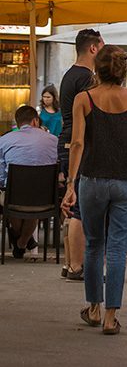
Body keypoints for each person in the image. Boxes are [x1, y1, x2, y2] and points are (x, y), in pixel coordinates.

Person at [62, 46, 127, 335]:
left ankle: (94, 309)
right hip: (126, 180)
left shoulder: (84, 99)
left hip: (93, 180)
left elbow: (78, 143)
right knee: (118, 248)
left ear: (97, 68)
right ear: (123, 70)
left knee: (94, 245)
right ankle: (111, 317)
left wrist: (70, 184)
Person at [58, 27, 104, 282]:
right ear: (93, 48)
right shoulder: (87, 78)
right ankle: (77, 266)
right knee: (79, 209)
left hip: (66, 141)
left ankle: (69, 263)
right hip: (77, 143)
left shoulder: (69, 75)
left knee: (71, 202)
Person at [0, 105, 59, 257]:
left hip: (13, 199)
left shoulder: (4, 140)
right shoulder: (53, 140)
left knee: (10, 196)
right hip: (44, 200)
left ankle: (20, 240)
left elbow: (1, 177)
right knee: (33, 198)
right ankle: (24, 242)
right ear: (35, 121)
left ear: (18, 123)